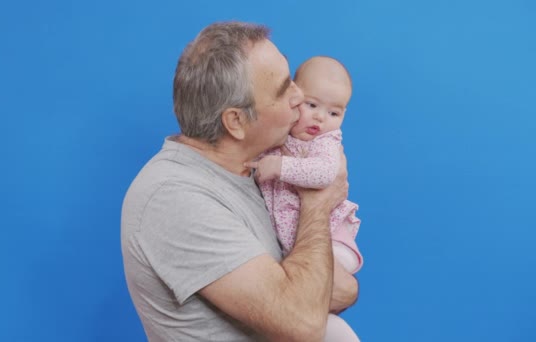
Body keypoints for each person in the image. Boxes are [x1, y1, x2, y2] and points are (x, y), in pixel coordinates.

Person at [121, 21, 359, 341]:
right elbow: (303, 321)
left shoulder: (253, 171)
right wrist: (317, 200)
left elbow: (341, 289)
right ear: (236, 121)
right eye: (283, 88)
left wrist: (322, 286)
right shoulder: (174, 198)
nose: (299, 95)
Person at [245, 56, 362, 341]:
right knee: (314, 316)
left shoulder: (326, 142)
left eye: (334, 113)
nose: (321, 119)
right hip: (296, 244)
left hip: (332, 241)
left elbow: (325, 174)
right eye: (312, 106)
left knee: (308, 297)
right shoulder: (284, 135)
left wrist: (279, 167)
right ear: (295, 97)